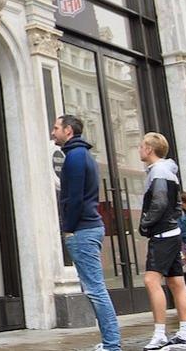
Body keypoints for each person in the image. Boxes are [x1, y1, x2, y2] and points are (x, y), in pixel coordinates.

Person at [52, 115, 121, 351]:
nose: (53, 133)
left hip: (83, 229)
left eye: (56, 128)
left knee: (95, 289)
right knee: (95, 289)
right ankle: (110, 343)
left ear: (68, 131)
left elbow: (75, 198)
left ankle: (112, 345)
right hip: (88, 227)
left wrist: (69, 228)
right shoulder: (82, 155)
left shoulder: (75, 157)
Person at [138, 132, 186, 351]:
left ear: (149, 149)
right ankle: (185, 335)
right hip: (172, 232)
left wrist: (146, 223)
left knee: (152, 281)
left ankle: (160, 335)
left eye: (142, 146)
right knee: (176, 282)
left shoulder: (159, 172)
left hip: (162, 235)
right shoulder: (168, 171)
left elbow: (160, 202)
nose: (140, 149)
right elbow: (176, 205)